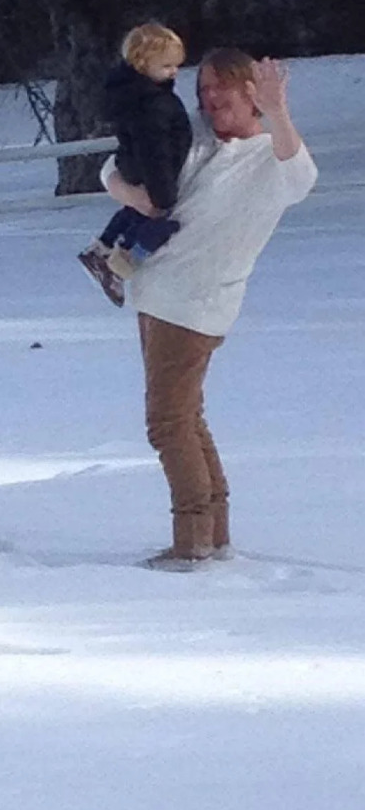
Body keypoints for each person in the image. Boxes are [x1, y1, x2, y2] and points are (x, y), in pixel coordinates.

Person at [101, 49, 317, 569]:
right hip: (155, 293)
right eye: (203, 90)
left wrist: (279, 113)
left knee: (167, 423)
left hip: (195, 305)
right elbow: (114, 165)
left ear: (251, 94)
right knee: (187, 418)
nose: (211, 99)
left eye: (223, 88)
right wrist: (132, 195)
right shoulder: (194, 136)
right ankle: (213, 535)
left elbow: (301, 177)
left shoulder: (270, 156)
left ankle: (191, 541)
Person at [78, 23, 193, 307]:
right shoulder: (152, 104)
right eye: (166, 66)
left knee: (133, 211)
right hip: (150, 171)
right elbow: (155, 150)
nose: (174, 72)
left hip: (132, 164)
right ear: (143, 64)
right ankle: (117, 264)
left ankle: (103, 247)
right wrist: (163, 193)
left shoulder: (136, 96)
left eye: (176, 66)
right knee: (153, 221)